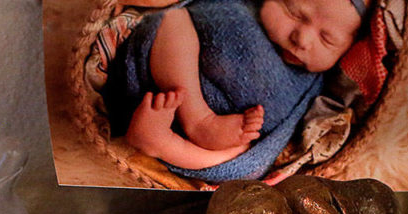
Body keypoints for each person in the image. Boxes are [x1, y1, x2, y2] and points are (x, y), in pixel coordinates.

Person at [102, 0, 369, 177]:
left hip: (227, 132)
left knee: (248, 150)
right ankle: (196, 118)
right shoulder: (241, 5)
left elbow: (280, 143)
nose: (301, 38)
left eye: (327, 38)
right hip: (169, 81)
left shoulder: (319, 85)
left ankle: (161, 143)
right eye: (293, 12)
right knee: (172, 19)